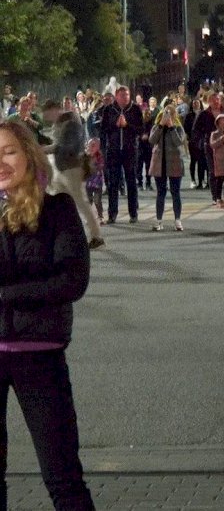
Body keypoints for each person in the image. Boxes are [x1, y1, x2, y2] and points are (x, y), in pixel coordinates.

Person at [0, 119, 96, 510]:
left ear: (28, 153)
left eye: (9, 151)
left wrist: (5, 295)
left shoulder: (56, 208)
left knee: (62, 478)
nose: (1, 162)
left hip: (37, 353)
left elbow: (72, 280)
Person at [47, 108, 104, 249]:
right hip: (63, 169)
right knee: (58, 200)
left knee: (81, 203)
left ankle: (96, 236)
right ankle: (62, 234)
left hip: (71, 169)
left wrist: (49, 148)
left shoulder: (71, 125)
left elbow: (68, 147)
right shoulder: (65, 125)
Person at [99, 86, 143, 224]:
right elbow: (103, 130)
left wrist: (127, 125)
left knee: (131, 182)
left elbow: (140, 129)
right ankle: (112, 214)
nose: (125, 97)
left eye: (127, 95)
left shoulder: (135, 109)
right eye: (122, 95)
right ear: (116, 96)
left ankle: (133, 213)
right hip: (114, 150)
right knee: (113, 183)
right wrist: (115, 125)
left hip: (130, 150)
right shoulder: (109, 110)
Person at [148, 104, 185, 232]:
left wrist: (171, 127)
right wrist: (160, 125)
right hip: (160, 162)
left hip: (174, 162)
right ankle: (159, 221)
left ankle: (178, 220)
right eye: (166, 112)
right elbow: (152, 140)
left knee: (175, 192)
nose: (168, 115)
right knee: (161, 192)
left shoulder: (178, 127)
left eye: (170, 113)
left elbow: (179, 141)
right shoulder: (157, 125)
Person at [184, 98, 205, 189]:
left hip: (202, 140)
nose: (196, 104)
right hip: (193, 141)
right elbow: (186, 127)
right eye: (194, 103)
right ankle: (193, 180)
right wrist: (190, 136)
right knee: (193, 161)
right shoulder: (189, 115)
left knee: (202, 162)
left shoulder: (203, 114)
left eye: (197, 103)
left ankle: (201, 181)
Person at [84, 138, 104, 226]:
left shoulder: (99, 156)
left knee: (97, 200)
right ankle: (89, 218)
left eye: (94, 145)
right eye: (90, 145)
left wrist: (94, 161)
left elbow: (101, 166)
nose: (91, 147)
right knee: (88, 200)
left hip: (97, 182)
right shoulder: (85, 156)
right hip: (88, 182)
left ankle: (100, 216)